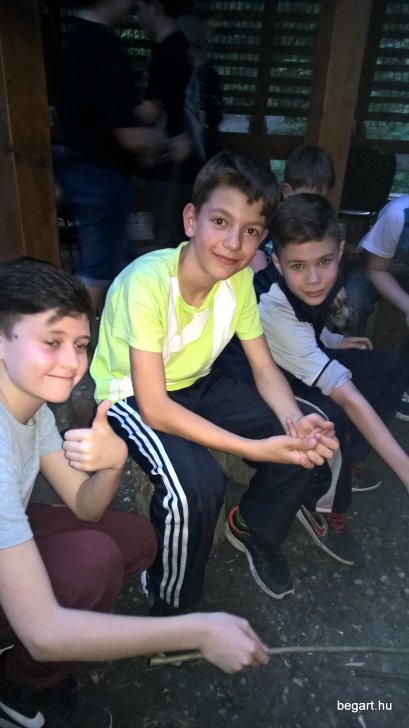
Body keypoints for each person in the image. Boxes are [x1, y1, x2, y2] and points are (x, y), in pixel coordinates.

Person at [0, 258, 275, 728]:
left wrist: (111, 466)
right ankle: (18, 688)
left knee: (135, 538)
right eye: (52, 342)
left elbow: (85, 507)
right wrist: (196, 630)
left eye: (81, 345)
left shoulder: (33, 408)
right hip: (34, 609)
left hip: (16, 525)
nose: (73, 363)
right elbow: (44, 632)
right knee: (92, 563)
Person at [90, 151, 339, 617]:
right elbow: (155, 407)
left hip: (196, 381)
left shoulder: (238, 283)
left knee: (303, 429)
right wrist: (256, 448)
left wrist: (293, 420)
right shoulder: (146, 283)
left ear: (262, 239)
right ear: (191, 219)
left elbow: (264, 368)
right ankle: (171, 604)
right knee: (196, 484)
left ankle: (254, 527)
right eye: (220, 221)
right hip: (131, 396)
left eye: (251, 231)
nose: (233, 243)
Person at [254, 194, 409, 519]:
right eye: (298, 266)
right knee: (331, 414)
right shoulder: (273, 306)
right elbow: (346, 393)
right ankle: (320, 503)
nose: (313, 278)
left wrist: (333, 341)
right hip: (269, 379)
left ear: (339, 251)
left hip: (300, 355)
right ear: (278, 264)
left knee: (389, 369)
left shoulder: (321, 281)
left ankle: (350, 458)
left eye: (324, 261)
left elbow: (305, 323)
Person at [54, 0, 164, 314]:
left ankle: (114, 333)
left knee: (118, 265)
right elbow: (126, 134)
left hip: (76, 167)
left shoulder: (72, 39)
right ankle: (70, 341)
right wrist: (162, 142)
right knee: (96, 274)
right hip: (102, 177)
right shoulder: (104, 47)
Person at [134, 0, 205, 247]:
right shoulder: (177, 48)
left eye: (139, 8)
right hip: (178, 164)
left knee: (169, 241)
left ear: (154, 6)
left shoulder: (169, 51)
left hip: (175, 168)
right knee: (175, 239)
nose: (137, 16)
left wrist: (109, 113)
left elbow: (149, 112)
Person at [347, 194, 409, 421]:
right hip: (374, 267)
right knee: (354, 299)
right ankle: (347, 364)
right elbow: (376, 270)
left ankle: (403, 380)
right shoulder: (398, 214)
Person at [250, 144, 336, 273]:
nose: (314, 207)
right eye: (308, 198)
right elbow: (255, 254)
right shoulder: (269, 220)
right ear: (287, 192)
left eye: (320, 200)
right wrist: (265, 281)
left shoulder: (319, 226)